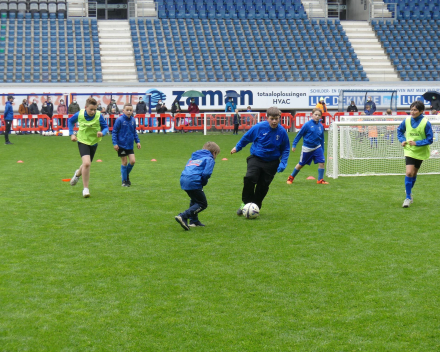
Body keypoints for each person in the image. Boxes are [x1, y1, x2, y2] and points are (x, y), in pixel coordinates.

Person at [232, 107, 290, 215]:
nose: (274, 121)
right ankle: (245, 204)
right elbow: (246, 137)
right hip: (256, 158)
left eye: (276, 119)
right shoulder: (259, 127)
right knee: (249, 178)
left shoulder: (282, 132)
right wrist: (237, 147)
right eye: (272, 119)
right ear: (267, 118)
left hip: (272, 162)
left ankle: (255, 207)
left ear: (279, 118)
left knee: (262, 186)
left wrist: (283, 162)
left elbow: (286, 148)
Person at [68, 97, 109, 198]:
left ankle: (77, 174)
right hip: (82, 140)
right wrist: (72, 134)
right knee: (87, 163)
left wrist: (102, 133)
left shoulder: (99, 115)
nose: (93, 111)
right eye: (91, 109)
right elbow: (70, 121)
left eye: (95, 109)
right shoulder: (80, 114)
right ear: (85, 107)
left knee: (85, 164)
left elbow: (105, 127)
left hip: (94, 142)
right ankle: (85, 189)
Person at [175, 141, 221, 230]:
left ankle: (194, 221)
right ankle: (183, 216)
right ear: (214, 152)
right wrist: (203, 182)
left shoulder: (193, 157)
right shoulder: (210, 159)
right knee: (202, 203)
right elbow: (207, 173)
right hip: (193, 181)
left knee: (194, 199)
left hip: (184, 179)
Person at [397, 100, 433, 208]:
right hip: (409, 150)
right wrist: (402, 140)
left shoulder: (426, 122)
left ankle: (408, 190)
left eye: (415, 110)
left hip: (421, 151)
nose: (412, 112)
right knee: (409, 172)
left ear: (421, 111)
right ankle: (408, 197)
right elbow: (399, 131)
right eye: (411, 109)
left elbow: (430, 139)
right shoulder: (406, 120)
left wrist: (417, 143)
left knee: (414, 173)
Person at [286, 108, 329, 185]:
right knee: (301, 164)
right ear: (312, 115)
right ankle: (291, 177)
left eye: (319, 115)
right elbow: (299, 135)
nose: (317, 116)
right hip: (307, 148)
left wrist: (322, 149)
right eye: (315, 114)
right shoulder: (307, 125)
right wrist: (294, 144)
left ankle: (320, 180)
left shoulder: (320, 126)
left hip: (317, 147)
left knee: (322, 162)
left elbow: (322, 138)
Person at [112, 103, 141, 187]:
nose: (129, 112)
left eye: (130, 110)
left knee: (132, 161)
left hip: (130, 145)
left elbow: (134, 132)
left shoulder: (132, 120)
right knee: (124, 162)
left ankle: (124, 174)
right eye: (127, 110)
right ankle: (124, 181)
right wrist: (115, 143)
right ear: (123, 110)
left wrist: (137, 141)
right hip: (121, 145)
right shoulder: (119, 120)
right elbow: (114, 132)